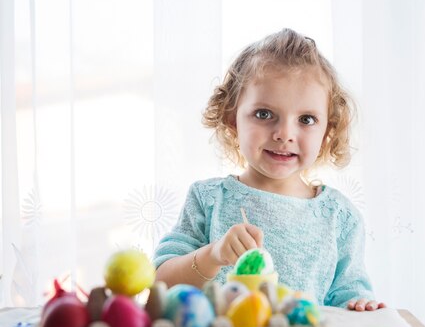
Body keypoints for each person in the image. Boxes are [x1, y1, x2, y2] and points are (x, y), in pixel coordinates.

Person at [153, 28, 385, 312]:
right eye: (264, 114)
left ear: (328, 131)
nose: (284, 133)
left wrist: (360, 305)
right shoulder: (208, 199)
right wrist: (212, 255)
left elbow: (349, 298)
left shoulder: (341, 218)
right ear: (232, 118)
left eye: (307, 119)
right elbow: (161, 285)